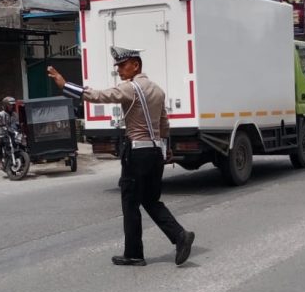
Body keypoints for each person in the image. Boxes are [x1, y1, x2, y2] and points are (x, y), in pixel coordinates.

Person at [46, 47, 195, 267]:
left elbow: (99, 95)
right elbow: (164, 123)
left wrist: (65, 85)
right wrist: (167, 147)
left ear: (136, 65)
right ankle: (180, 235)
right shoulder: (158, 90)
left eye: (123, 66)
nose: (119, 71)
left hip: (137, 153)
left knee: (130, 203)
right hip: (155, 152)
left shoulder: (129, 88)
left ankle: (134, 254)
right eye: (117, 67)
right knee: (151, 200)